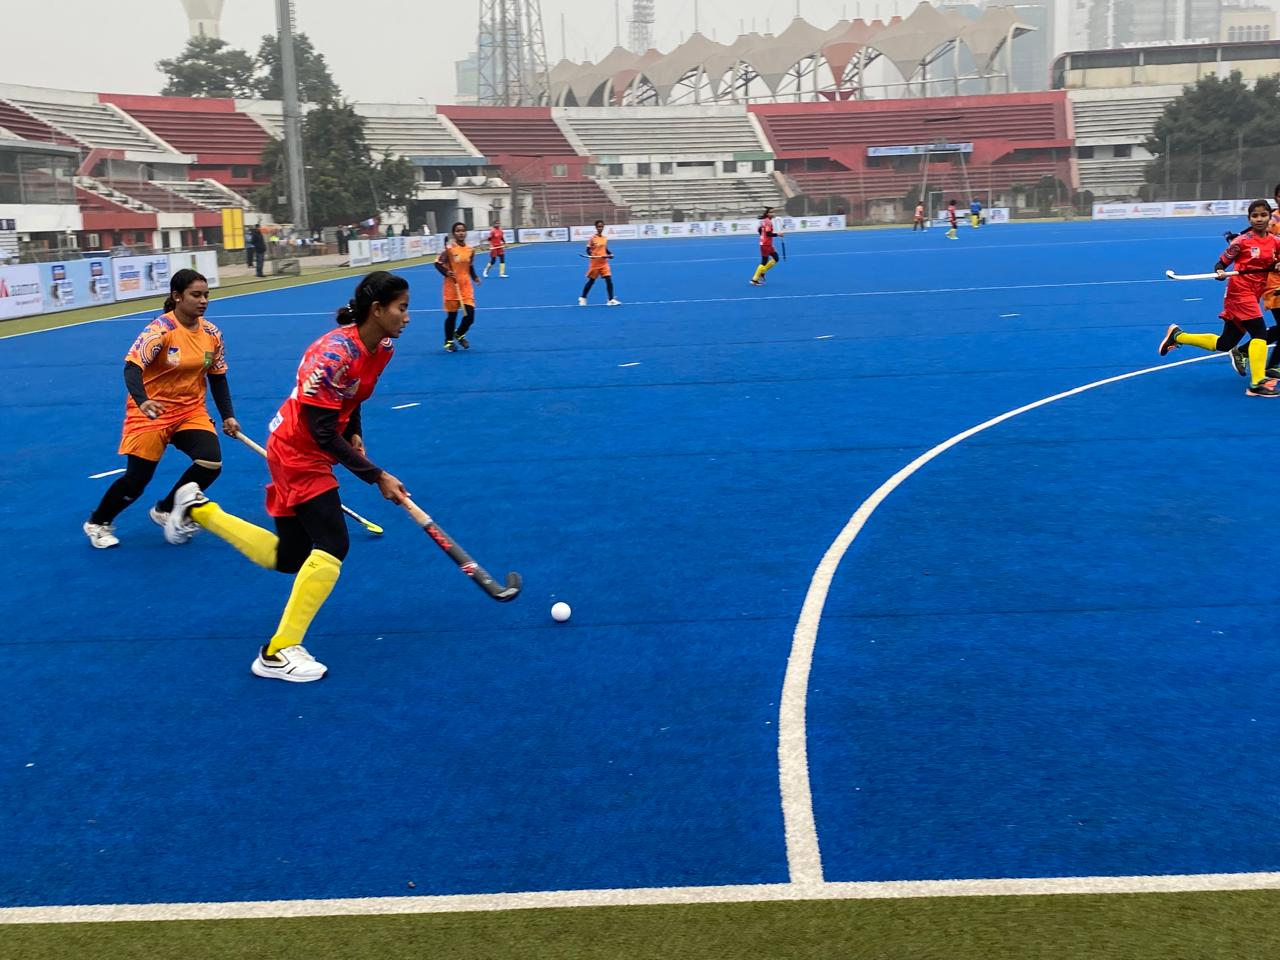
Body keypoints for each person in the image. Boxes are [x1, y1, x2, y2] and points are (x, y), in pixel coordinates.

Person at [164, 272, 411, 682]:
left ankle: (199, 509)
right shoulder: (331, 353)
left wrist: (356, 433)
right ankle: (276, 652)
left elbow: (352, 398)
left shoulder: (381, 347)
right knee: (333, 543)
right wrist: (377, 476)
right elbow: (320, 429)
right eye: (401, 308)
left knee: (291, 558)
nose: (407, 317)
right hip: (297, 451)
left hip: (313, 445)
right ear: (377, 310)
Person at [83, 269, 240, 549]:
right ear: (177, 296)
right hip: (150, 412)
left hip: (190, 410)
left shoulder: (212, 334)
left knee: (210, 462)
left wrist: (228, 415)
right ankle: (98, 522)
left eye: (206, 295)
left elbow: (217, 376)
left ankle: (166, 509)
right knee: (136, 480)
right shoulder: (160, 330)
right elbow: (132, 368)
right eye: (196, 295)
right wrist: (143, 400)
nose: (203, 301)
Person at [1159, 198, 1280, 398]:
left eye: (1263, 215)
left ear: (1269, 217)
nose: (1259, 219)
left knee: (1225, 343)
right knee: (1259, 332)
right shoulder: (1241, 242)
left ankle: (1178, 336)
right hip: (1239, 293)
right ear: (1249, 218)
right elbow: (1220, 264)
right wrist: (1220, 272)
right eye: (1254, 215)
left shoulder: (1275, 241)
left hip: (1255, 293)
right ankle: (1257, 383)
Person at [1229, 185, 1280, 379]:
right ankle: (1271, 367)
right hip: (1272, 282)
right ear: (1276, 198)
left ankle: (1244, 351)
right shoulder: (1272, 220)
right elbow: (1247, 239)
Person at [436, 220, 481, 351]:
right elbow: (438, 263)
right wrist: (447, 272)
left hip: (466, 287)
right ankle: (448, 341)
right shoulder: (449, 250)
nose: (461, 233)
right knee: (452, 317)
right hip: (451, 287)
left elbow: (470, 266)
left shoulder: (470, 250)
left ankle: (459, 333)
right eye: (458, 231)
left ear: (465, 233)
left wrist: (475, 277)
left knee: (470, 316)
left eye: (462, 230)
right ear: (454, 234)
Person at [579, 220, 619, 305]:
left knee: (609, 280)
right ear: (596, 227)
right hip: (595, 264)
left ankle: (610, 299)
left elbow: (605, 249)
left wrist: (610, 254)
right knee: (591, 281)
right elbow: (588, 249)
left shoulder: (604, 238)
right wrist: (591, 254)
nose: (600, 228)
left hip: (604, 263)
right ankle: (582, 297)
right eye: (599, 226)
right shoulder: (592, 238)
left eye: (602, 226)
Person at [750, 206, 783, 286]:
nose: (773, 213)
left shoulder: (764, 221)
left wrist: (762, 236)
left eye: (773, 212)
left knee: (776, 258)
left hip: (768, 244)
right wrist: (778, 234)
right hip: (766, 244)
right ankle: (754, 280)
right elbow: (768, 233)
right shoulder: (768, 222)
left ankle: (762, 271)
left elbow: (759, 230)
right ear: (767, 213)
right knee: (764, 261)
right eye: (771, 212)